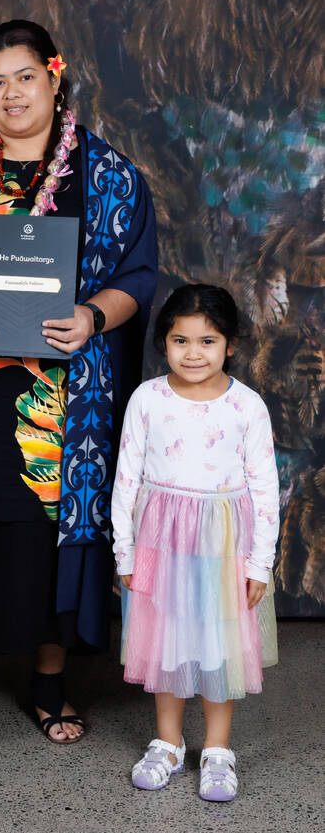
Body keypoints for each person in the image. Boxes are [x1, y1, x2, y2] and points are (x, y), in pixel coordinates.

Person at [0, 19, 157, 745]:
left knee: (54, 531)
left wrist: (92, 314)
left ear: (53, 76)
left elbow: (138, 272)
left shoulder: (107, 177)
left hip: (70, 389)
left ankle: (51, 677)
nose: (11, 93)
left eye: (24, 76)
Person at [111, 284, 279, 801]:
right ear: (164, 343)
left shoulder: (246, 406)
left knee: (215, 646)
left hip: (222, 546)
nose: (193, 353)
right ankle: (167, 743)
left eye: (207, 341)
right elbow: (127, 478)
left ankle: (218, 751)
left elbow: (266, 487)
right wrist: (125, 550)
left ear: (230, 345)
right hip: (161, 540)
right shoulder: (147, 398)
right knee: (167, 643)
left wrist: (259, 563)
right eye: (180, 340)